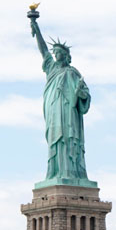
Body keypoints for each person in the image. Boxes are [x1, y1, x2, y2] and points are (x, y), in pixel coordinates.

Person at [30, 14, 91, 182]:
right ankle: (55, 172)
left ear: (66, 55)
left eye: (59, 53)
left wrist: (80, 94)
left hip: (68, 112)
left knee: (68, 139)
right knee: (55, 140)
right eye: (55, 53)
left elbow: (85, 95)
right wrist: (36, 28)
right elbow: (43, 50)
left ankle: (72, 173)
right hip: (54, 111)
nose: (56, 55)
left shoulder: (73, 73)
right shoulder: (51, 69)